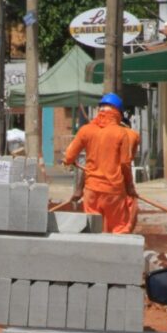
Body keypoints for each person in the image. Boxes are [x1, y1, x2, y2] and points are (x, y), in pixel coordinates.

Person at [63, 92, 136, 234]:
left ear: (99, 110)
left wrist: (68, 161)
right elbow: (125, 164)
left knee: (92, 230)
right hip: (114, 192)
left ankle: (93, 255)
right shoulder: (121, 133)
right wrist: (130, 187)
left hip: (91, 191)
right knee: (119, 229)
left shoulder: (86, 130)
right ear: (118, 113)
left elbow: (69, 156)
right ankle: (117, 256)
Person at [121, 111, 141, 232]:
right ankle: (126, 231)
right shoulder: (134, 135)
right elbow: (129, 159)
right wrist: (130, 186)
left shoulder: (105, 132)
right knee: (132, 205)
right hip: (123, 175)